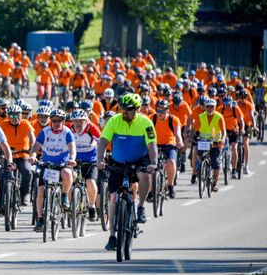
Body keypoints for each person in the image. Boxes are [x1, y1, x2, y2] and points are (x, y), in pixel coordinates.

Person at [96, 93, 158, 251]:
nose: (124, 112)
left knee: (144, 176)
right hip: (118, 161)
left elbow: (152, 146)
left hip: (139, 160)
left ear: (137, 109)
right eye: (122, 109)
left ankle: (141, 207)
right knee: (113, 197)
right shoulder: (115, 120)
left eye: (128, 110)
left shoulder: (146, 122)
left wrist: (153, 163)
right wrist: (100, 160)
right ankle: (111, 236)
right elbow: (103, 141)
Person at [31, 108, 76, 232]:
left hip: (62, 164)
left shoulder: (67, 132)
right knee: (40, 191)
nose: (56, 123)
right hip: (47, 164)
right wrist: (33, 155)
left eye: (59, 121)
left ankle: (64, 195)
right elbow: (36, 146)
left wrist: (72, 158)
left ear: (63, 121)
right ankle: (40, 219)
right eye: (54, 120)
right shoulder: (45, 132)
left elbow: (72, 148)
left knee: (67, 173)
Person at [0, 104, 36, 207]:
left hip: (23, 155)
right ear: (8, 116)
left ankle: (25, 194)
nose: (14, 118)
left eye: (17, 115)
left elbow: (32, 138)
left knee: (28, 172)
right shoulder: (3, 124)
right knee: (1, 178)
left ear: (21, 115)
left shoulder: (26, 123)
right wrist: (1, 150)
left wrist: (32, 150)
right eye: (11, 116)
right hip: (8, 156)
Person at [70, 109, 101, 221]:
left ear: (86, 121)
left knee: (90, 182)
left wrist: (101, 158)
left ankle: (92, 206)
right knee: (69, 178)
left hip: (90, 160)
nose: (78, 124)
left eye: (81, 121)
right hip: (74, 160)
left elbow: (101, 142)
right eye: (76, 121)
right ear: (72, 121)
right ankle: (69, 205)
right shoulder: (69, 129)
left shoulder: (91, 128)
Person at [151, 99, 183, 199]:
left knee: (171, 162)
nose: (159, 113)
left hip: (169, 143)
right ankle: (151, 190)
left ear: (167, 111)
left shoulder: (174, 119)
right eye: (158, 110)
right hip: (155, 144)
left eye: (162, 111)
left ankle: (170, 185)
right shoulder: (152, 118)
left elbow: (177, 133)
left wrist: (179, 141)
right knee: (149, 165)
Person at [195, 98, 226, 192]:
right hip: (203, 142)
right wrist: (190, 137)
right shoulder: (200, 116)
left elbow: (224, 132)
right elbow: (195, 130)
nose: (209, 109)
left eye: (211, 107)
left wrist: (223, 140)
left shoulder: (219, 117)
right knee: (197, 153)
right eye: (207, 106)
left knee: (216, 164)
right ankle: (201, 169)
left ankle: (214, 184)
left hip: (216, 143)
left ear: (215, 107)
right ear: (205, 107)